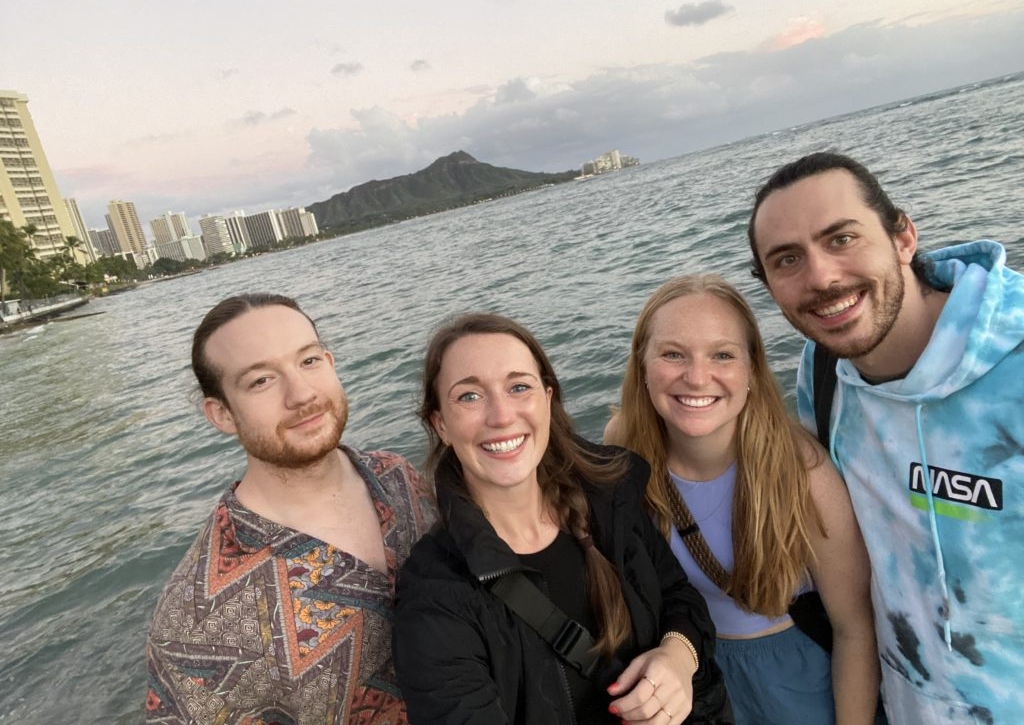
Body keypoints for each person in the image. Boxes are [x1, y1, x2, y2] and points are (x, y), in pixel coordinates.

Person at [747, 151, 1024, 723]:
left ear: (903, 237)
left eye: (842, 239)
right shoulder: (822, 372)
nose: (821, 277)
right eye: (787, 259)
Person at [392, 313, 732, 724]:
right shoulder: (435, 594)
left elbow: (679, 596)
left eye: (519, 387)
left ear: (547, 400)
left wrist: (678, 655)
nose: (501, 415)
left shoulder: (609, 499)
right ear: (440, 423)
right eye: (469, 396)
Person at [144, 293, 437, 725]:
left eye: (308, 361)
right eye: (261, 380)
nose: (301, 394)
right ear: (221, 413)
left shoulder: (399, 478)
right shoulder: (193, 621)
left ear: (331, 363)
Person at [604, 275, 880, 724]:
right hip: (687, 674)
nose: (696, 377)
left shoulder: (801, 471)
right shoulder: (625, 445)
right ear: (642, 364)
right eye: (673, 354)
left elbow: (855, 629)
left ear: (751, 369)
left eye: (722, 355)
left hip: (791, 676)